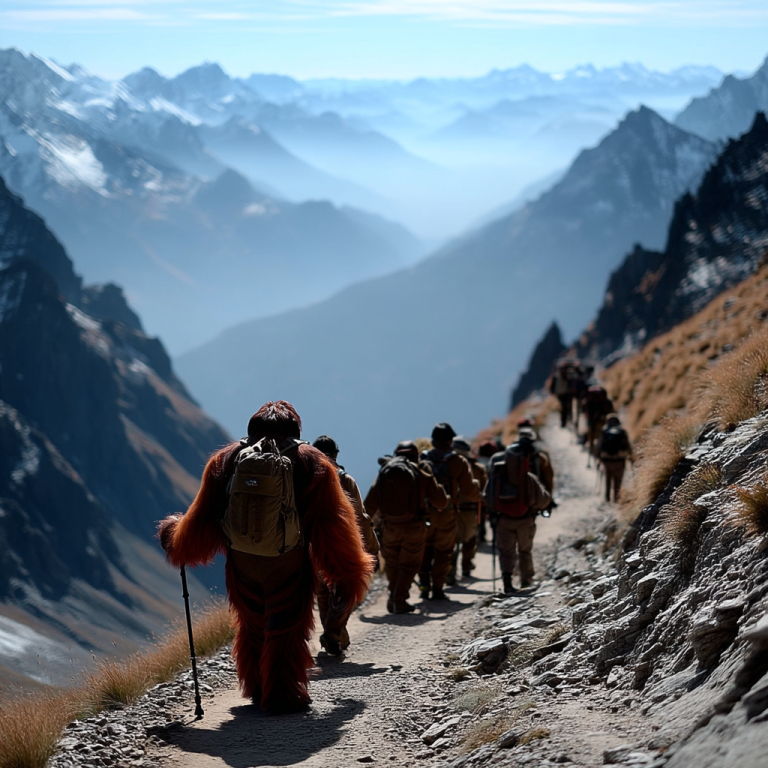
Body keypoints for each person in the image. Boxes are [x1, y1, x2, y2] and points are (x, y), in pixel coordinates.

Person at [158, 401, 374, 714]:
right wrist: (349, 575)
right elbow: (333, 528)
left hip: (241, 562)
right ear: (296, 430)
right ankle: (282, 696)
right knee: (286, 628)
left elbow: (198, 526)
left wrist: (171, 532)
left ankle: (258, 688)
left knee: (251, 625)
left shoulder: (225, 459)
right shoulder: (312, 462)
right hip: (289, 558)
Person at [312, 435, 379, 654]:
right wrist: (371, 547)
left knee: (323, 592)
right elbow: (360, 517)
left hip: (312, 545)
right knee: (345, 589)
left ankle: (336, 637)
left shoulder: (303, 478)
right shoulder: (345, 479)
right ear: (336, 455)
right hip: (340, 545)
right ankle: (332, 633)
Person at [365, 441, 448, 613]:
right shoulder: (421, 472)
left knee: (393, 565)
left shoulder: (385, 472)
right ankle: (399, 600)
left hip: (389, 528)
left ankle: (394, 597)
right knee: (409, 566)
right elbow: (441, 501)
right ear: (416, 455)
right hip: (413, 527)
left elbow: (369, 505)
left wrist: (365, 529)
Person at [418, 423, 480, 600]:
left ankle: (424, 586)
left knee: (425, 550)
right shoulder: (458, 461)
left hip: (425, 513)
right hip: (447, 513)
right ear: (451, 441)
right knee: (444, 552)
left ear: (433, 440)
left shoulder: (422, 459)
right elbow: (470, 492)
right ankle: (438, 588)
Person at [486, 436, 551, 593]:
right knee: (524, 550)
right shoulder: (528, 478)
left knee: (506, 552)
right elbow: (544, 500)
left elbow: (487, 498)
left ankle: (507, 583)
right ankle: (526, 580)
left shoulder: (496, 478)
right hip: (525, 520)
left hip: (503, 520)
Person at [448, 436, 488, 582]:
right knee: (469, 539)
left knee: (451, 541)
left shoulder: (447, 465)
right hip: (470, 509)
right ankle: (466, 566)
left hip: (450, 510)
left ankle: (450, 572)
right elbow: (482, 490)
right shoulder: (478, 468)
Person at [597, 414, 634, 503]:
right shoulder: (622, 431)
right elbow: (628, 446)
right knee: (618, 480)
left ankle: (607, 498)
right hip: (619, 460)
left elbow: (599, 446)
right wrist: (631, 456)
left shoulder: (604, 431)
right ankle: (616, 498)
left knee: (608, 479)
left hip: (607, 460)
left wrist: (599, 458)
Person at [582, 385, 614, 464]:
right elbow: (611, 411)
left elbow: (584, 411)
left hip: (592, 422)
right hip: (603, 422)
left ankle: (592, 452)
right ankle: (602, 453)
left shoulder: (588, 400)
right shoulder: (607, 401)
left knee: (591, 439)